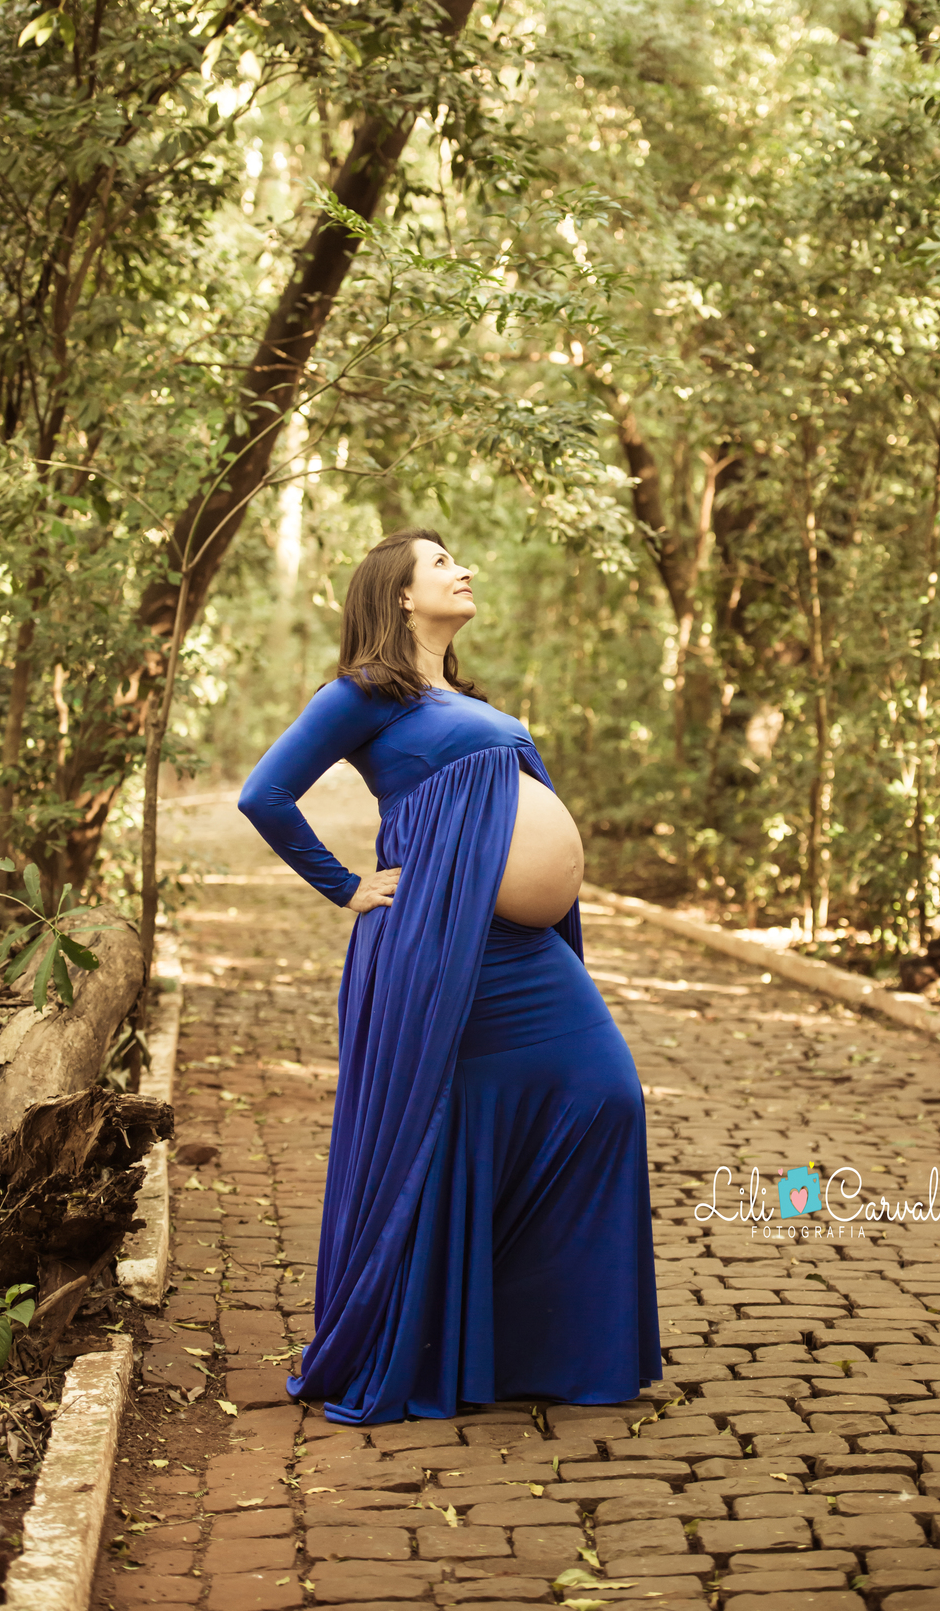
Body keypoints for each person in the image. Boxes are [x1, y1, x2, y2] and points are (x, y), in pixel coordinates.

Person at [237, 527, 661, 1425]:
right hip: (441, 950)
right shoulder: (361, 695)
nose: (463, 569)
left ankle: (537, 1341)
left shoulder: (454, 695)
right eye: (441, 563)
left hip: (520, 950)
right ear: (397, 593)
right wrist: (348, 887)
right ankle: (439, 1344)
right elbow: (264, 795)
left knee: (607, 1097)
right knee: (443, 1132)